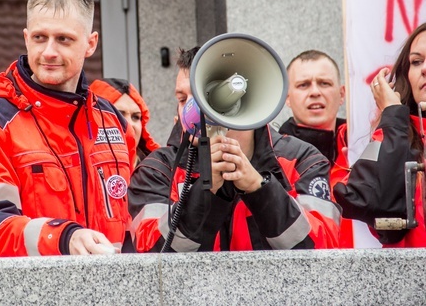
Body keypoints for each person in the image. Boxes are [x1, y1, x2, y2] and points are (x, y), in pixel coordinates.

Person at [0, 0, 136, 257]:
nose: (49, 52)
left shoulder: (113, 121)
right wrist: (63, 239)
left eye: (63, 39)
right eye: (40, 38)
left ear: (90, 43)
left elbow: (134, 220)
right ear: (26, 38)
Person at [128, 46, 341, 252]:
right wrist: (204, 192)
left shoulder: (301, 160)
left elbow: (324, 249)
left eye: (201, 96)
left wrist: (259, 188)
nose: (190, 109)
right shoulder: (158, 170)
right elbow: (151, 254)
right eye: (182, 99)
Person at [334, 22, 426, 247]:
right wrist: (393, 117)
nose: (424, 69)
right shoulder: (395, 132)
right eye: (416, 62)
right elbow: (375, 207)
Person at [279, 50, 353, 247]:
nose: (314, 92)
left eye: (324, 83)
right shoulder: (273, 156)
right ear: (286, 97)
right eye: (303, 85)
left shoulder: (363, 146)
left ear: (342, 94)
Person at [89, 78, 161, 162]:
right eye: (119, 115)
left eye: (136, 117)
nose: (129, 124)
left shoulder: (158, 171)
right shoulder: (77, 168)